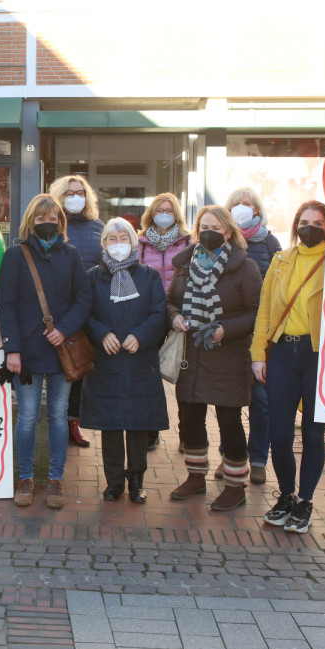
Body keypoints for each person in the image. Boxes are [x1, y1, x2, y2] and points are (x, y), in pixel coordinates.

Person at [0, 193, 91, 510]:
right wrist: (12, 348)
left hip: (61, 350)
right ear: (30, 222)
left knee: (57, 415)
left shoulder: (72, 255)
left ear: (60, 222)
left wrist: (63, 328)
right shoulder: (15, 256)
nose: (47, 224)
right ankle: (25, 478)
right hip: (25, 353)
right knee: (25, 418)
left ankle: (55, 479)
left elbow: (83, 299)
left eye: (53, 219)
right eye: (41, 219)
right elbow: (6, 304)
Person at [166, 205, 262, 511]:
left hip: (228, 356)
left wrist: (225, 329)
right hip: (191, 356)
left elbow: (256, 313)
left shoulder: (245, 267)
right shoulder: (184, 264)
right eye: (204, 227)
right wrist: (175, 317)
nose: (208, 233)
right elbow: (170, 301)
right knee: (190, 420)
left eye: (216, 229)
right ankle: (196, 477)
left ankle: (236, 486)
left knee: (229, 423)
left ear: (229, 233)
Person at [252, 200, 325, 533]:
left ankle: (305, 502)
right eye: (303, 221)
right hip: (284, 353)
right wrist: (259, 353)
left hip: (318, 355)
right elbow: (264, 312)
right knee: (281, 434)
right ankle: (286, 495)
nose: (309, 228)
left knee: (314, 434)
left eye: (316, 222)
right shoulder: (280, 260)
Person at [79, 217, 168, 503]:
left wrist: (140, 336)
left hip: (140, 360)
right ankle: (114, 482)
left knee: (139, 425)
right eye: (112, 239)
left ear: (133, 242)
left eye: (123, 238)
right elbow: (85, 314)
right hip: (106, 361)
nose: (118, 244)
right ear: (104, 243)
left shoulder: (150, 276)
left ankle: (136, 480)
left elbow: (159, 314)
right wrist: (101, 333)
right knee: (111, 424)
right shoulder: (92, 276)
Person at [222, 188, 282, 485]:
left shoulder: (270, 242)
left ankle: (257, 458)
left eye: (249, 205)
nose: (244, 209)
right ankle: (231, 457)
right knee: (228, 400)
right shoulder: (223, 242)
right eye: (238, 205)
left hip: (262, 335)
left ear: (257, 210)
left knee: (261, 400)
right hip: (231, 333)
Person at [48, 174, 104, 449]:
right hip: (56, 308)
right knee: (56, 365)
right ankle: (54, 420)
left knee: (80, 365)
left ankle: (73, 421)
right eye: (69, 193)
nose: (75, 197)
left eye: (80, 192)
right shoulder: (50, 225)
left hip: (89, 309)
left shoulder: (98, 227)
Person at [137, 192, 192, 451]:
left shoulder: (188, 241)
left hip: (179, 314)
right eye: (160, 209)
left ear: (176, 214)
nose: (164, 214)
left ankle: (186, 433)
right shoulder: (141, 242)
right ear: (151, 213)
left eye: (169, 210)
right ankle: (151, 431)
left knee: (182, 374)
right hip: (149, 315)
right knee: (149, 375)